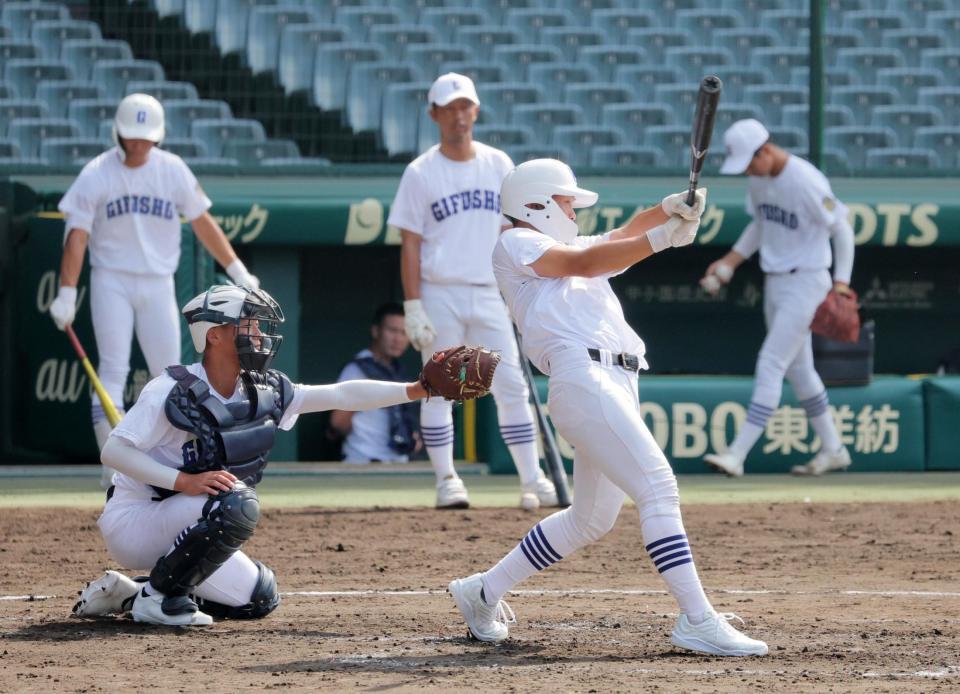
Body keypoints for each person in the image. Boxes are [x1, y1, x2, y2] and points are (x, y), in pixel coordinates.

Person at [447, 158, 768, 657]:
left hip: (613, 378)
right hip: (583, 375)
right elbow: (585, 262)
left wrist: (665, 210)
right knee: (658, 487)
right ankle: (697, 619)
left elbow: (615, 238)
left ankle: (482, 591)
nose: (573, 209)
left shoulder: (562, 245)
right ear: (537, 203)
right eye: (567, 201)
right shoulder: (516, 242)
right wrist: (662, 239)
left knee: (590, 519)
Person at [71, 284, 435, 626]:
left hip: (187, 516)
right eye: (248, 326)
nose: (259, 336)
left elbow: (340, 395)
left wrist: (417, 389)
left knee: (259, 598)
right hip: (136, 519)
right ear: (214, 334)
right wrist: (183, 481)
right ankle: (158, 601)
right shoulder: (171, 389)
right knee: (235, 503)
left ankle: (137, 594)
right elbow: (113, 451)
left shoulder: (260, 388)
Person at [48, 93, 260, 488]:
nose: (138, 145)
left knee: (171, 375)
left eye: (145, 138)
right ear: (118, 134)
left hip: (158, 282)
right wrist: (66, 290)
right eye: (132, 136)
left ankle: (168, 461)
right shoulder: (97, 173)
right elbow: (77, 236)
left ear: (158, 137)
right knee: (112, 370)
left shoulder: (172, 170)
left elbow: (202, 222)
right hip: (111, 278)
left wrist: (236, 269)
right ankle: (113, 470)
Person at [389, 72, 557, 510]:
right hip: (439, 289)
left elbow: (514, 230)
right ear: (434, 115)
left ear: (476, 111)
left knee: (512, 385)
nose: (458, 116)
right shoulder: (420, 171)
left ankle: (532, 478)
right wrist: (412, 305)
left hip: (488, 289)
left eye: (465, 107)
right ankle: (447, 480)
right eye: (449, 108)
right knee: (438, 386)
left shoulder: (498, 163)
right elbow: (410, 241)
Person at [701, 119, 855, 477]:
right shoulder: (759, 180)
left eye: (750, 162)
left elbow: (842, 228)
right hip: (776, 281)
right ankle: (834, 449)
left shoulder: (806, 180)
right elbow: (760, 226)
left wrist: (842, 284)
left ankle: (737, 454)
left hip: (808, 281)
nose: (748, 171)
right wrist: (729, 262)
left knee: (771, 361)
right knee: (800, 371)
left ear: (766, 150)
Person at [329, 302, 421, 463]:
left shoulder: (397, 370)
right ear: (376, 331)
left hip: (398, 462)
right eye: (392, 330)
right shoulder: (358, 369)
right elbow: (338, 422)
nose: (398, 338)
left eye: (403, 332)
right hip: (364, 461)